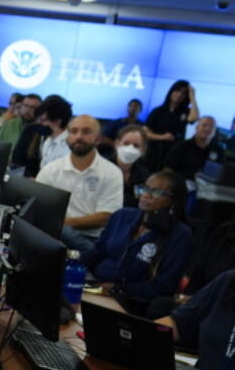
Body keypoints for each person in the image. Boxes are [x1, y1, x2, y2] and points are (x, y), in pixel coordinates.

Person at [81, 170, 192, 316]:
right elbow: (96, 253)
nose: (145, 194)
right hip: (95, 285)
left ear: (173, 201)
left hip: (133, 300)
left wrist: (119, 289)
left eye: (156, 192)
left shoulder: (179, 234)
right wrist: (70, 262)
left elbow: (164, 286)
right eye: (144, 188)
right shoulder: (122, 216)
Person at [35, 115, 125, 252]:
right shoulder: (50, 170)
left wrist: (63, 223)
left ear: (98, 138)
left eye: (86, 132)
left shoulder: (112, 172)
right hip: (55, 236)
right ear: (67, 137)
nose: (79, 136)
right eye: (73, 131)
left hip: (93, 239)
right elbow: (37, 209)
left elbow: (106, 217)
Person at [145, 80, 199, 171]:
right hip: (154, 152)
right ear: (171, 91)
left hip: (175, 154)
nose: (179, 95)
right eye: (177, 91)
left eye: (184, 93)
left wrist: (192, 96)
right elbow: (145, 133)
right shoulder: (158, 111)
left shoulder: (185, 112)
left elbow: (194, 118)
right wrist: (161, 137)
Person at [165, 115, 222, 182]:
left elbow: (221, 174)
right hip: (182, 186)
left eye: (211, 127)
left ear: (214, 131)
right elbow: (168, 169)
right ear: (197, 127)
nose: (207, 129)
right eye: (204, 125)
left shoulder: (219, 150)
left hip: (207, 188)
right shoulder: (182, 146)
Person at [111, 123, 152, 207]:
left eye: (136, 145)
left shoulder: (144, 175)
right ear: (117, 143)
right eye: (126, 144)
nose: (130, 149)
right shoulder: (101, 170)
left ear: (143, 149)